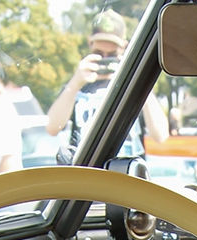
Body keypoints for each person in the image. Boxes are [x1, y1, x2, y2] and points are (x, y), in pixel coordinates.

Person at [45, 10, 168, 163]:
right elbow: (52, 128)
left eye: (111, 55)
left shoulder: (133, 85)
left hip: (127, 178)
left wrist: (132, 73)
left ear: (124, 48)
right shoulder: (78, 86)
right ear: (90, 43)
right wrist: (75, 83)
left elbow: (161, 135)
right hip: (87, 176)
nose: (105, 60)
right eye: (98, 54)